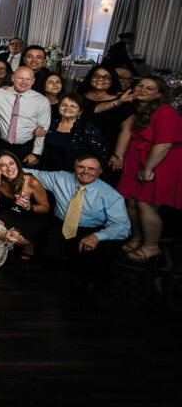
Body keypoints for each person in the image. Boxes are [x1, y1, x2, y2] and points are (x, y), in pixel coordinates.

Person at [27, 157, 130, 287]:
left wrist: (97, 237)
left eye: (91, 169)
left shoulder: (111, 195)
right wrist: (1, 168)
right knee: (46, 256)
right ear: (75, 168)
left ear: (100, 171)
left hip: (91, 230)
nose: (85, 171)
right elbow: (32, 173)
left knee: (91, 263)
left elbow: (122, 227)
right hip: (62, 226)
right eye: (81, 167)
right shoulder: (61, 178)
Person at [113, 76, 182, 264]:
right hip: (137, 159)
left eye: (150, 88)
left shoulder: (165, 111)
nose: (143, 90)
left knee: (146, 204)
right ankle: (138, 238)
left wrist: (149, 168)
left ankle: (151, 246)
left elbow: (164, 144)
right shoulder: (136, 107)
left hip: (159, 161)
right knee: (131, 202)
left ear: (159, 94)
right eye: (140, 86)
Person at [0, 152, 51, 258]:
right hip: (13, 210)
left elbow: (46, 208)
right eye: (3, 165)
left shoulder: (31, 182)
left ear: (17, 164)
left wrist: (30, 207)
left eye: (11, 163)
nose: (9, 168)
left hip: (32, 216)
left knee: (17, 238)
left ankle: (29, 243)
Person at [0, 67, 50, 166]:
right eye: (20, 78)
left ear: (33, 81)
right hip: (0, 146)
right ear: (13, 78)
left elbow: (42, 130)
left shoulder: (42, 101)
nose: (24, 82)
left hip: (26, 149)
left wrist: (36, 153)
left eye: (28, 79)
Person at [40, 94, 108, 172]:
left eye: (73, 106)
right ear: (59, 107)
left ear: (80, 111)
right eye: (64, 105)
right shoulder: (51, 125)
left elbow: (101, 154)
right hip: (48, 173)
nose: (67, 108)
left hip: (77, 175)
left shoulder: (87, 128)